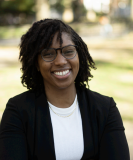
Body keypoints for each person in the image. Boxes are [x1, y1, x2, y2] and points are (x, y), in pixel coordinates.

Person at [0, 19, 130, 160]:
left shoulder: (105, 108)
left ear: (79, 56)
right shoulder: (18, 111)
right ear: (36, 63)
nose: (61, 61)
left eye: (68, 51)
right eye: (48, 54)